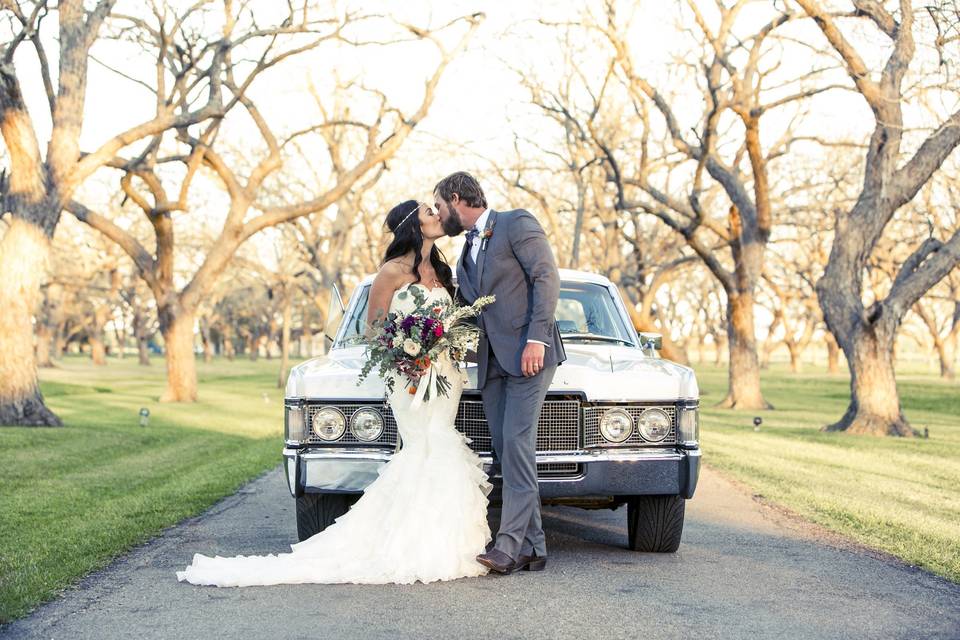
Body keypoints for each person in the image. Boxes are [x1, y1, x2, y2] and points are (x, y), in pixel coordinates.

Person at [176, 200, 492, 586]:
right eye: (429, 210)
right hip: (407, 374)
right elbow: (375, 329)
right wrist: (412, 350)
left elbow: (455, 322)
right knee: (424, 445)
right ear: (413, 224)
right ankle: (411, 545)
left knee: (441, 444)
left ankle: (443, 541)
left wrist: (446, 346)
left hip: (445, 376)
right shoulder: (390, 273)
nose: (437, 214)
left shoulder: (444, 271)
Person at [434, 171, 565, 574]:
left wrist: (537, 340)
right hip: (491, 364)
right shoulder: (464, 255)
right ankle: (534, 546)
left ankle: (507, 546)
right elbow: (470, 309)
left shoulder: (515, 223)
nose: (440, 216)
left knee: (517, 443)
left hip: (529, 355)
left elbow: (546, 277)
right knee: (506, 450)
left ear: (457, 198)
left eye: (440, 206)